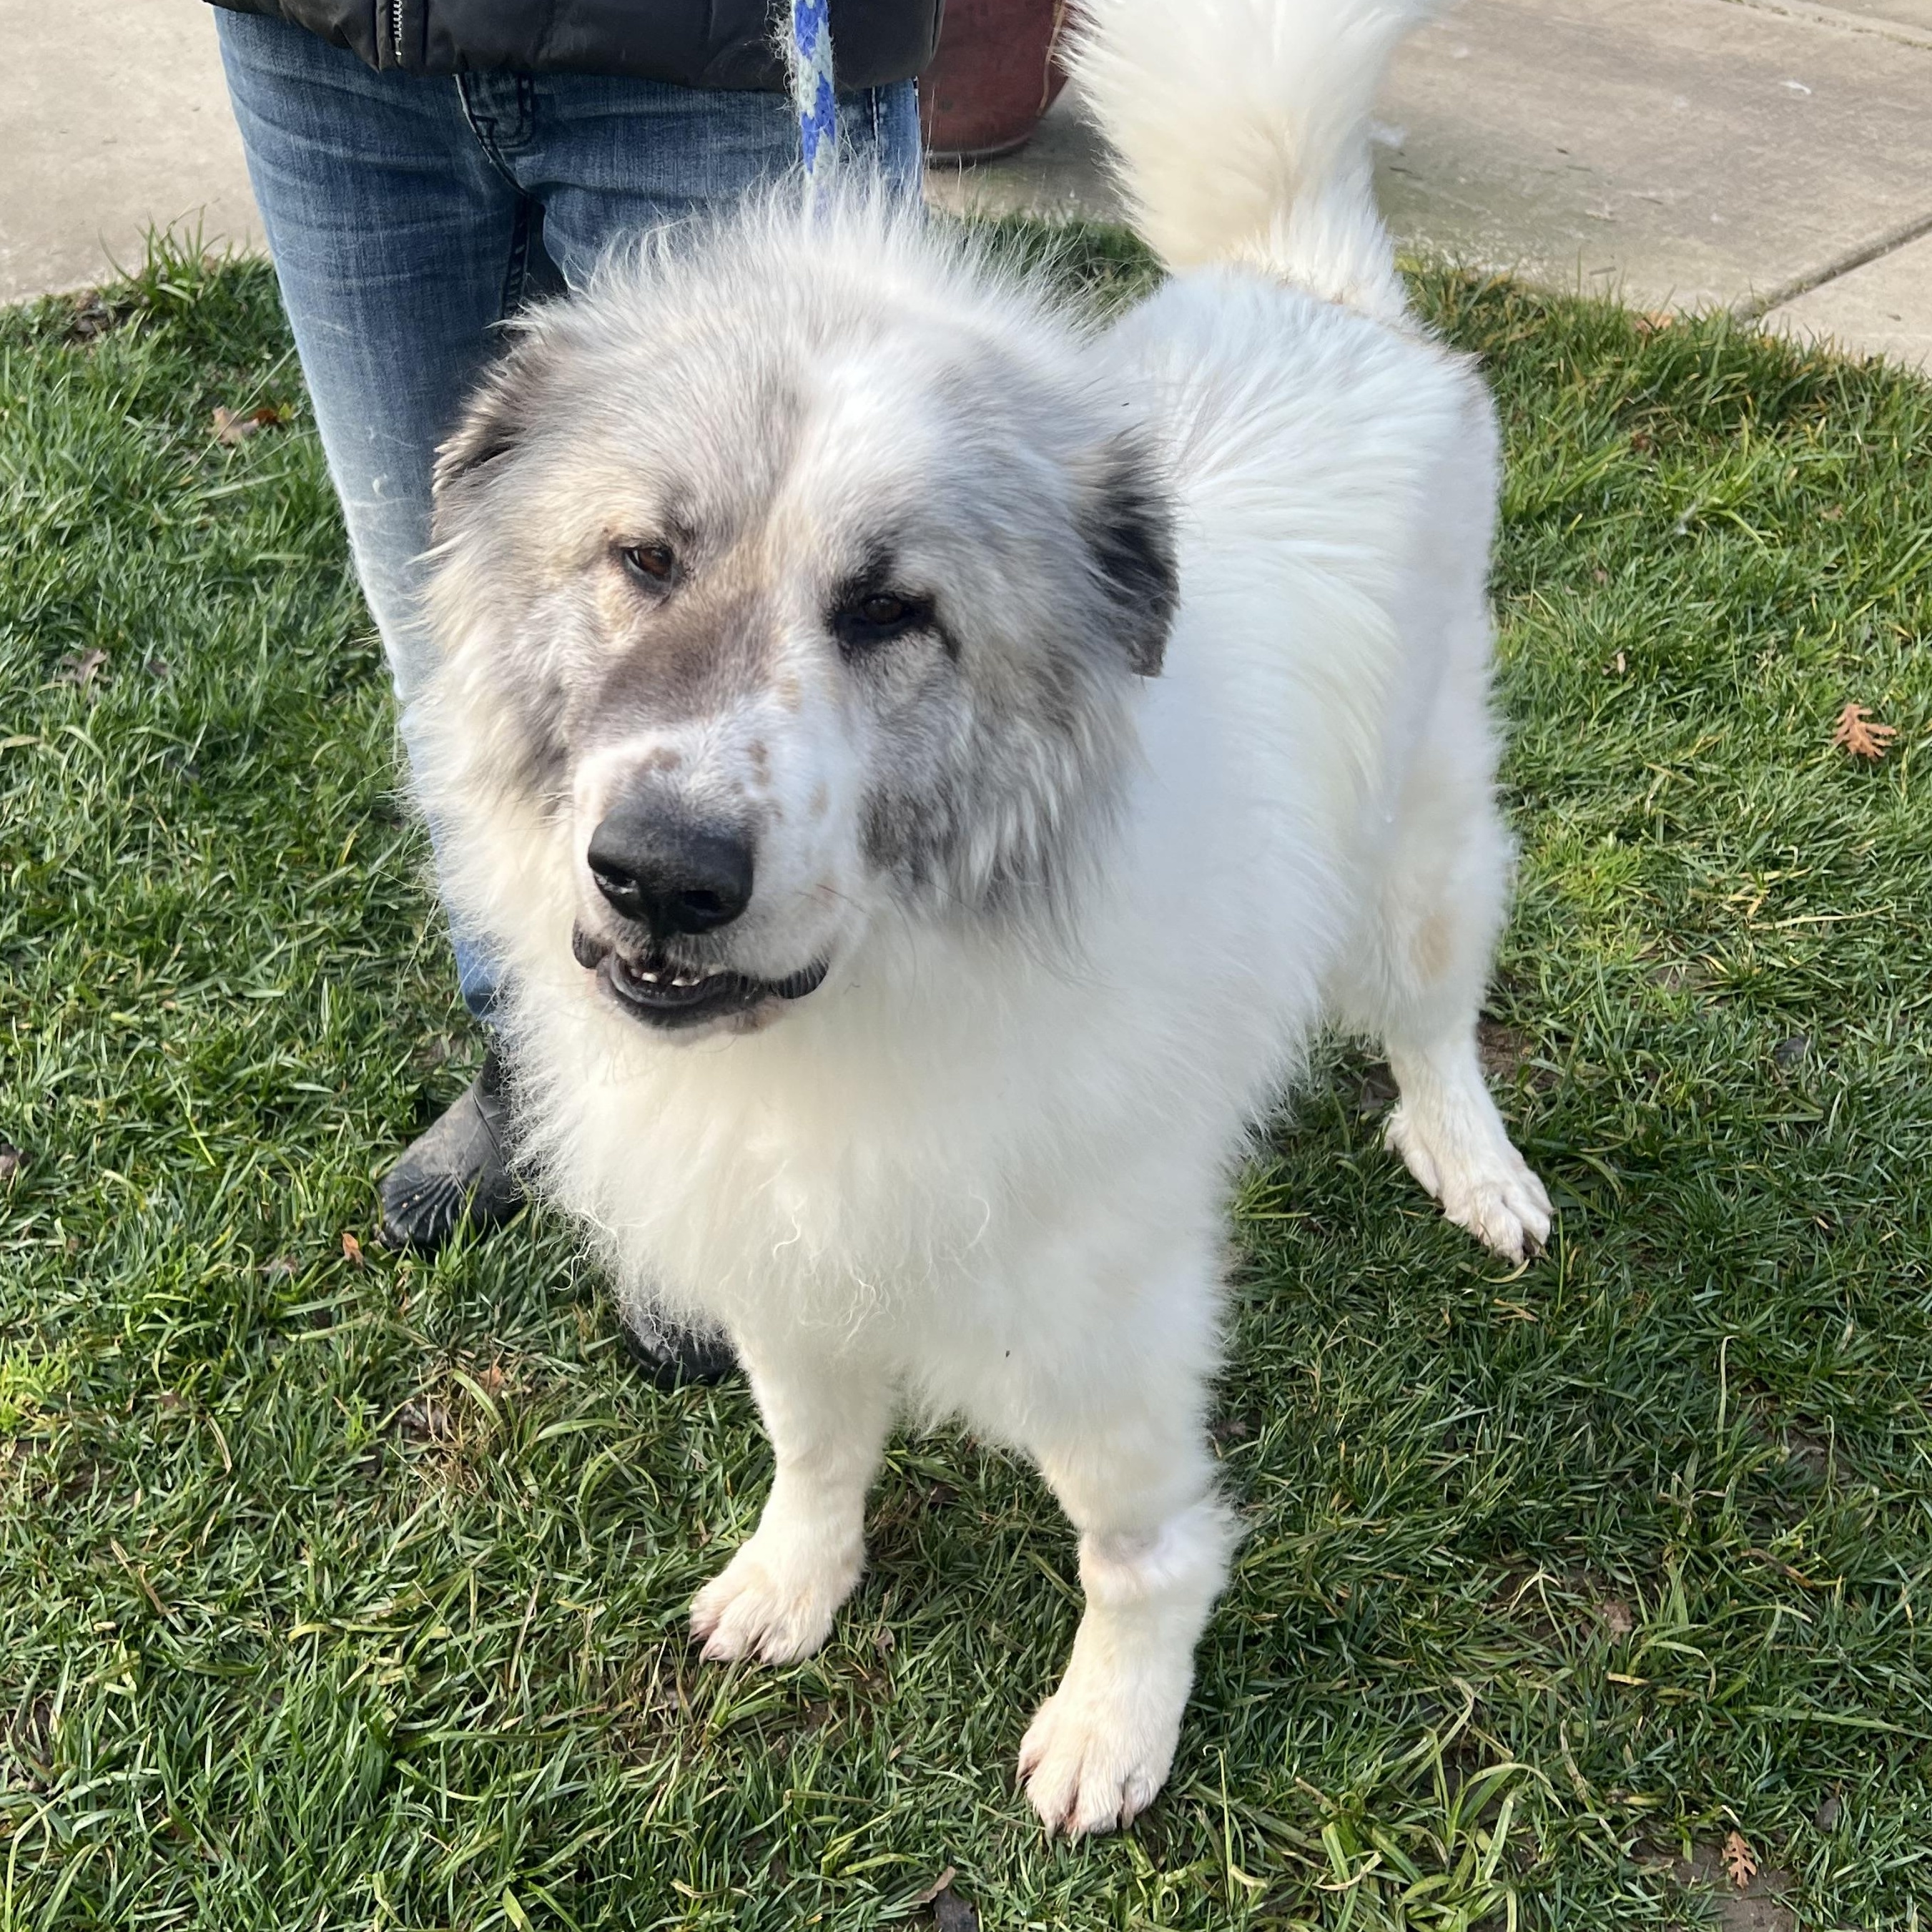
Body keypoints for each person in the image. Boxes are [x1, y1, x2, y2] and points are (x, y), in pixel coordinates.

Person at [208, 0, 938, 1381]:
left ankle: (745, 1165)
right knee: (464, 631)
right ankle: (537, 1048)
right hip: (332, 42)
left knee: (800, 629)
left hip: (715, 47)